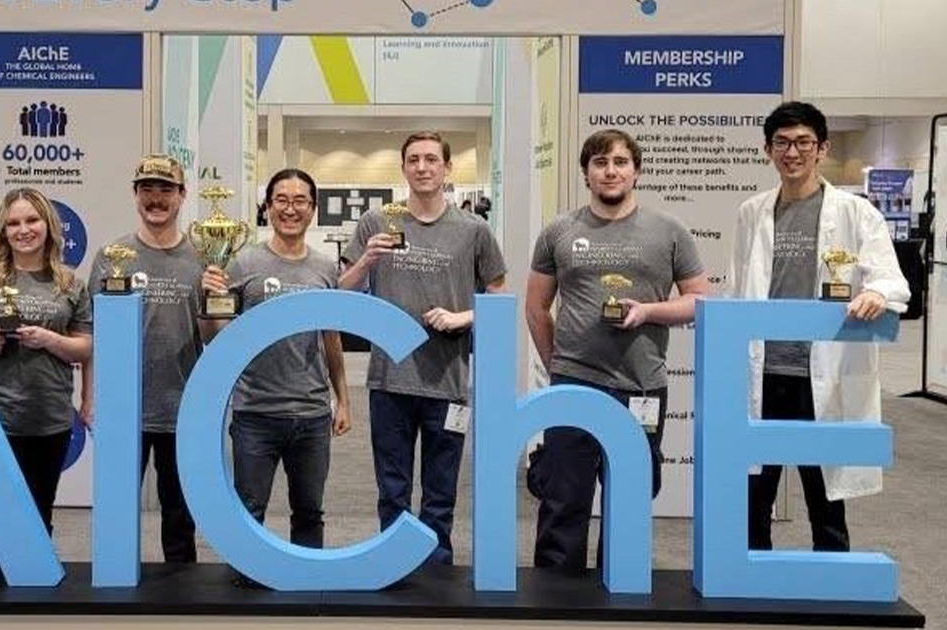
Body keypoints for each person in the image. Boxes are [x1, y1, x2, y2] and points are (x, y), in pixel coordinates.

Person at [524, 128, 708, 574]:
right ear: (586, 173)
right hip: (574, 383)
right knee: (564, 495)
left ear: (636, 171)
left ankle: (619, 586)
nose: (610, 171)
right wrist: (558, 368)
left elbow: (700, 303)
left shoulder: (669, 232)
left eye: (620, 162)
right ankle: (554, 597)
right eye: (600, 163)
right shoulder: (558, 232)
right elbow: (536, 308)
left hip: (642, 385)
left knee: (630, 495)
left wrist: (648, 312)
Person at [728, 101, 910, 552]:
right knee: (755, 492)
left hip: (822, 375)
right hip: (765, 372)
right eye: (782, 143)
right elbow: (736, 290)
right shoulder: (752, 213)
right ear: (767, 150)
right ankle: (753, 586)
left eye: (803, 142)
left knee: (825, 495)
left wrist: (875, 293)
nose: (793, 153)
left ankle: (833, 592)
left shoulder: (856, 213)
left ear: (822, 147)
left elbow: (890, 277)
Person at [340, 131, 506, 565]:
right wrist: (366, 261)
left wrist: (463, 317)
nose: (423, 167)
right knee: (392, 488)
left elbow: (500, 298)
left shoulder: (474, 230)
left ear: (448, 168)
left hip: (448, 381)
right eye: (414, 159)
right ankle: (391, 566)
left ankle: (437, 570)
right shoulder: (377, 223)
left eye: (432, 159)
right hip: (389, 380)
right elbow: (342, 290)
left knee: (440, 489)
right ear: (404, 168)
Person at [201, 168, 350, 550]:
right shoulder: (243, 264)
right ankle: (246, 592)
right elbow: (216, 337)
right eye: (281, 200)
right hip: (256, 413)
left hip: (312, 413)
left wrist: (343, 399)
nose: (290, 208)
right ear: (267, 207)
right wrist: (208, 302)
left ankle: (309, 593)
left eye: (300, 200)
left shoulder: (325, 267)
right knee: (249, 511)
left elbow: (330, 337)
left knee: (309, 512)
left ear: (313, 209)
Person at [0, 187, 93, 565]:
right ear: (3, 230)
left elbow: (85, 347)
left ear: (48, 225)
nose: (23, 230)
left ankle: (30, 608)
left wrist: (49, 339)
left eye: (31, 220)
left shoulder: (70, 283)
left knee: (37, 516)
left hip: (49, 422)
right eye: (13, 223)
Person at [83, 154, 210, 563]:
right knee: (116, 511)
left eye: (166, 190)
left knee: (180, 516)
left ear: (182, 196)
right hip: (124, 408)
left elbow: (213, 335)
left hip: (183, 406)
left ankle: (184, 599)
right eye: (148, 190)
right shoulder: (111, 255)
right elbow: (91, 332)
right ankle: (114, 594)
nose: (157, 199)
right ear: (136, 196)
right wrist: (89, 397)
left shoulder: (204, 257)